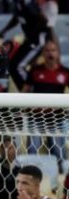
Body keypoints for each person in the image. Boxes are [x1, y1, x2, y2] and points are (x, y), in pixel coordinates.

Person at [22, 40, 68, 170]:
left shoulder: (65, 72)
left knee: (59, 153)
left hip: (56, 119)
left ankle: (61, 178)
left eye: (53, 50)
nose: (50, 53)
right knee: (32, 150)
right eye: (47, 50)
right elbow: (25, 91)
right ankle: (32, 172)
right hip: (36, 118)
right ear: (43, 53)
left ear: (58, 53)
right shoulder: (35, 71)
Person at [0, 0, 57, 91]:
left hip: (38, 41)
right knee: (13, 65)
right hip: (30, 41)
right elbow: (17, 18)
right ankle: (29, 92)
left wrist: (32, 34)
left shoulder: (29, 3)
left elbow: (43, 21)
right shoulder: (18, 3)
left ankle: (32, 92)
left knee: (18, 66)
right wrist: (4, 30)